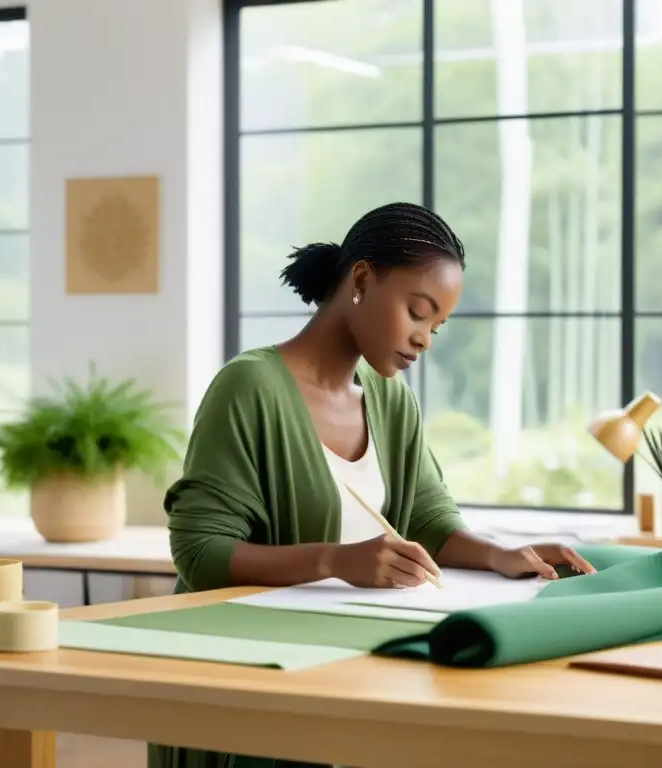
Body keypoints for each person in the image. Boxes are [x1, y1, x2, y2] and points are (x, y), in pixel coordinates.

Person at [150, 202, 595, 768]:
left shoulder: (389, 400)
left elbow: (430, 524)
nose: (425, 340)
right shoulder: (249, 387)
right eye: (417, 312)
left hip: (342, 667)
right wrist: (337, 560)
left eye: (436, 327)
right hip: (245, 676)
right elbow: (199, 553)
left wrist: (502, 556)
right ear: (361, 279)